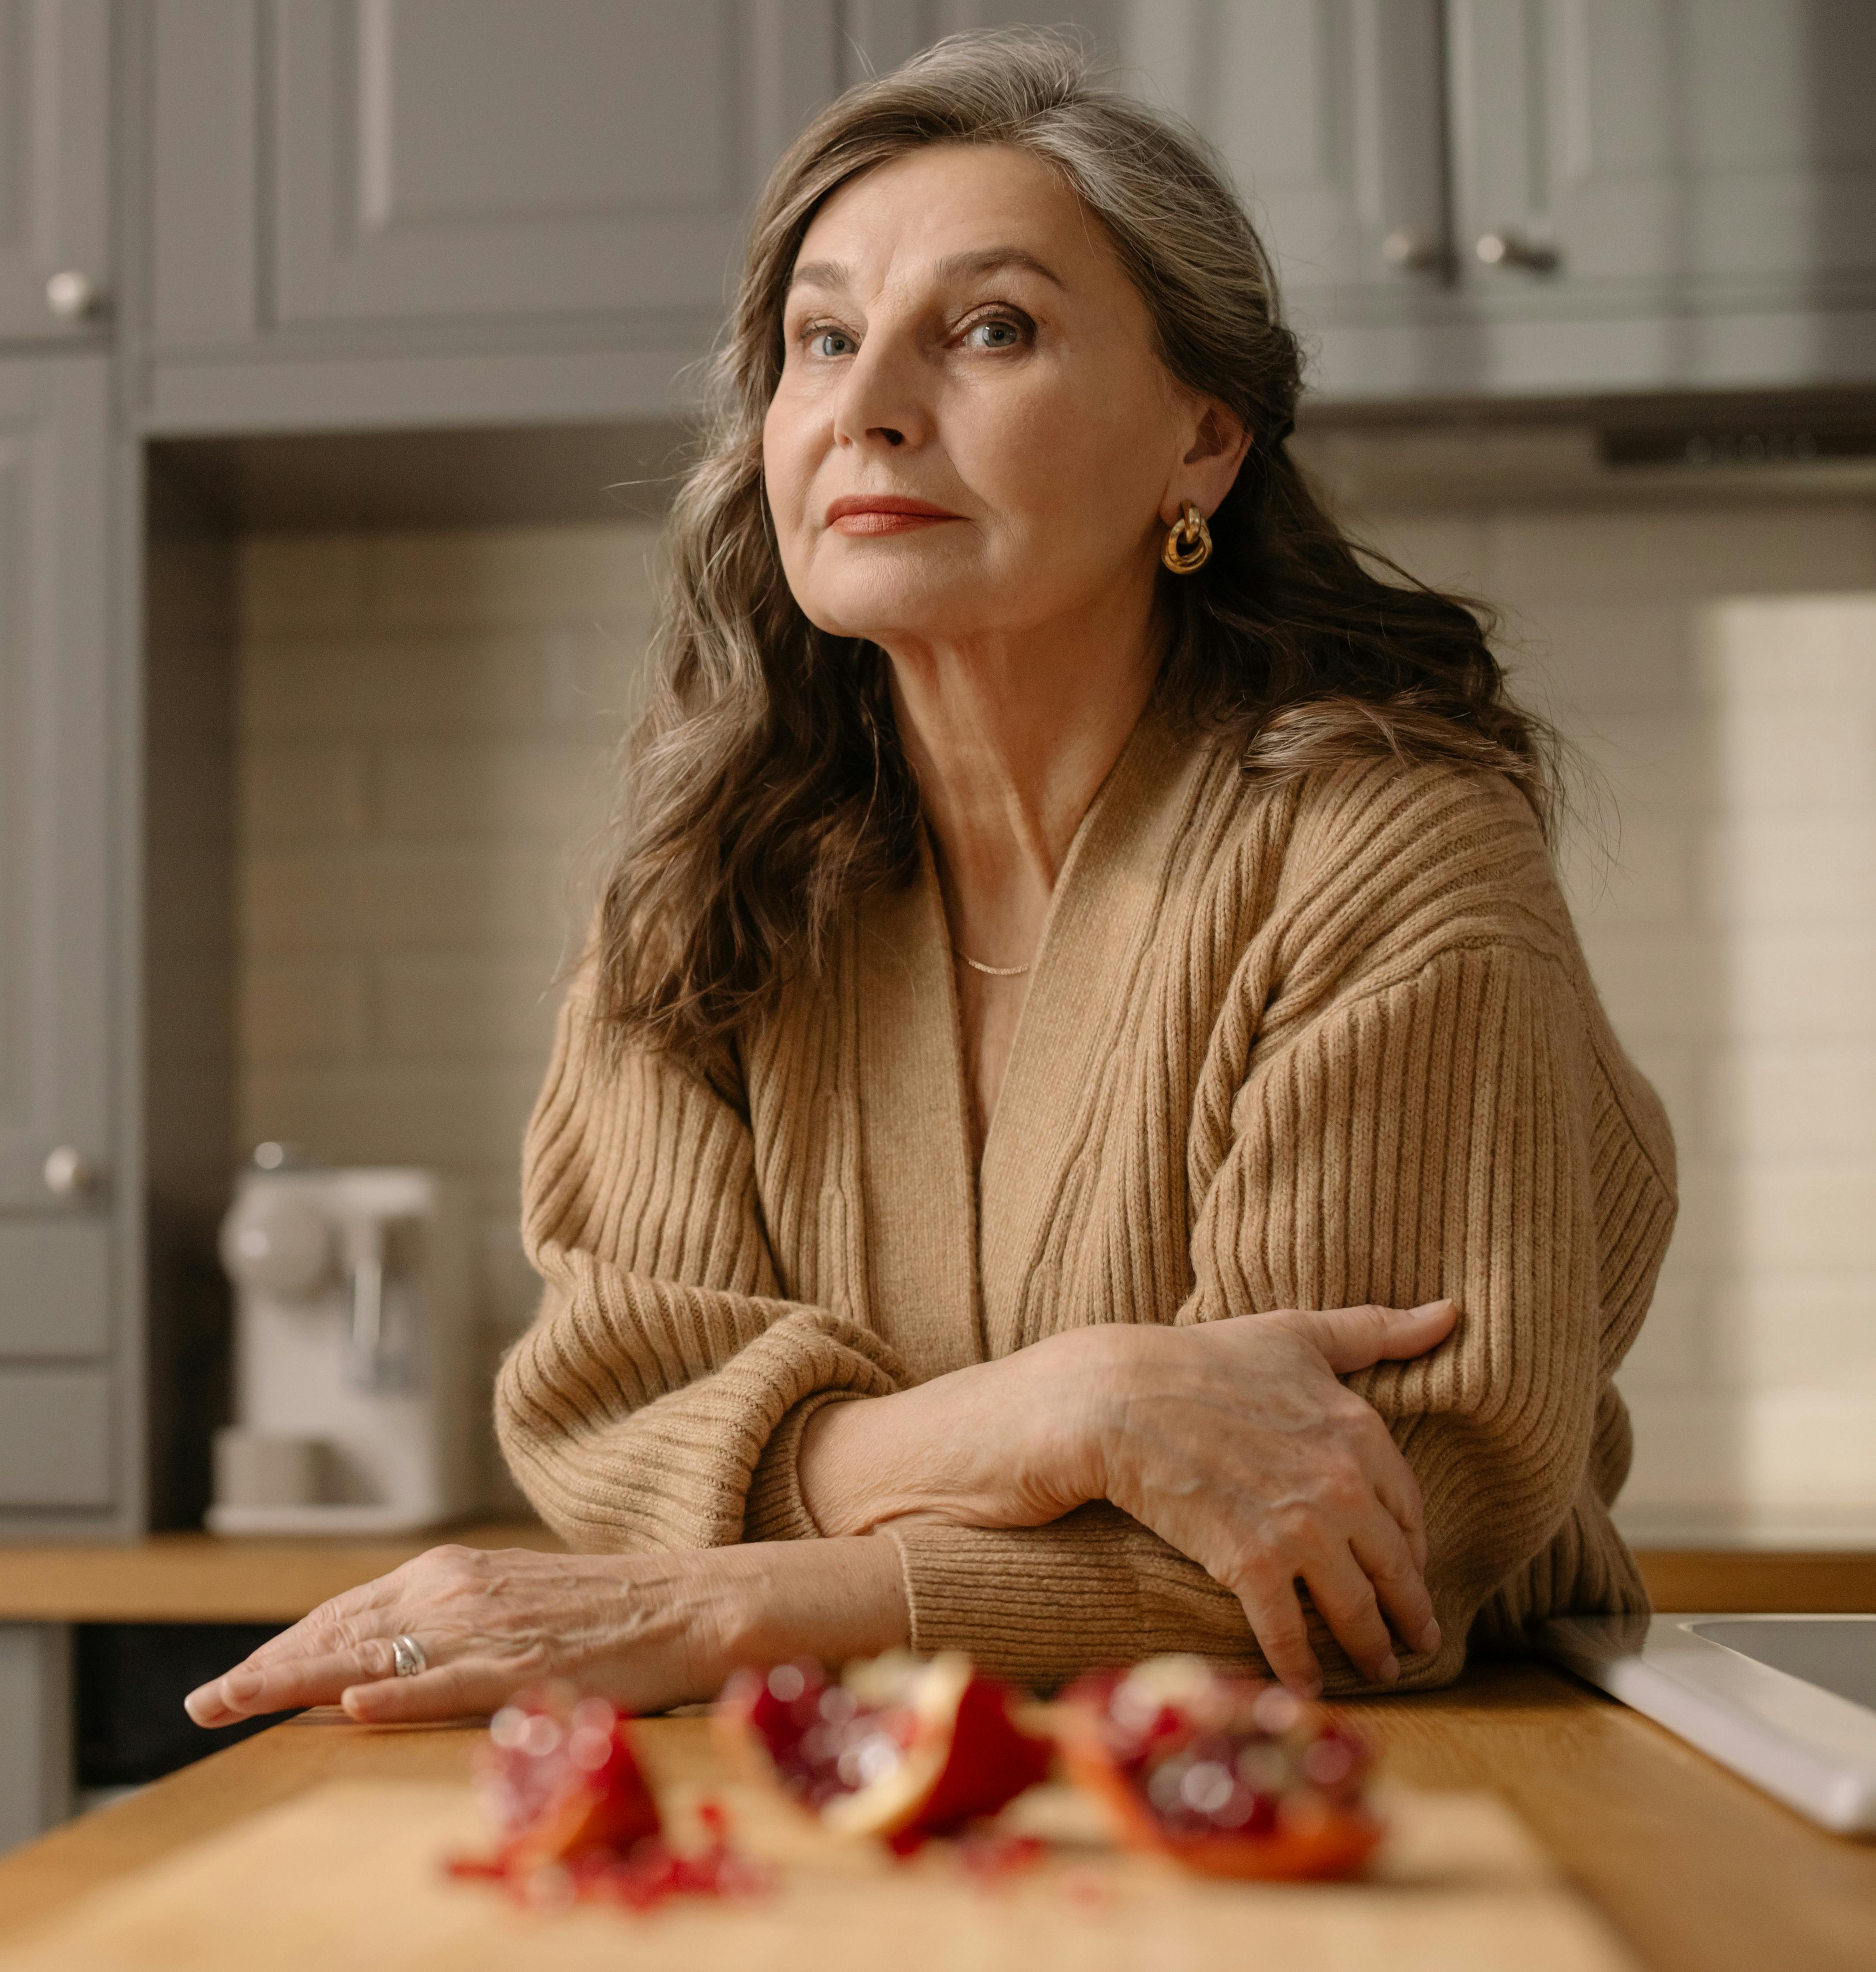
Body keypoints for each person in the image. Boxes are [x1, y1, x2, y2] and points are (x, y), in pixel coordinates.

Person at [185, 27, 1671, 1734]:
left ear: (1201, 443)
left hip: (1389, 1810)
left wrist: (728, 1587)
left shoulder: (1384, 857)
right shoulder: (704, 894)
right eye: (821, 339)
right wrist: (1059, 1412)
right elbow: (612, 1427)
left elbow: (1368, 1541)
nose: (868, 404)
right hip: (861, 1793)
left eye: (990, 329)